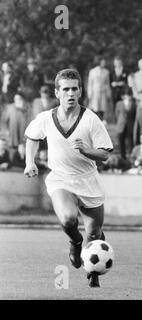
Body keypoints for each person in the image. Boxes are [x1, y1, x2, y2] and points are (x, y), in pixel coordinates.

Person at [23, 69, 113, 288]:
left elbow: (105, 154)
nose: (70, 93)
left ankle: (93, 269)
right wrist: (30, 161)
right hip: (61, 180)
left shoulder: (91, 119)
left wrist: (86, 150)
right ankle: (75, 241)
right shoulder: (46, 118)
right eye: (66, 89)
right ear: (57, 92)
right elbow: (32, 137)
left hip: (88, 181)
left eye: (74, 88)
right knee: (68, 219)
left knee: (94, 234)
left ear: (80, 91)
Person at [87, 56, 112, 121]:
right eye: (103, 62)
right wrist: (89, 93)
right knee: (95, 107)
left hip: (103, 92)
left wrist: (108, 93)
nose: (104, 63)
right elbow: (90, 83)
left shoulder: (106, 72)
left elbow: (107, 83)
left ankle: (102, 121)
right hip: (95, 92)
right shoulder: (92, 71)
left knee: (102, 107)